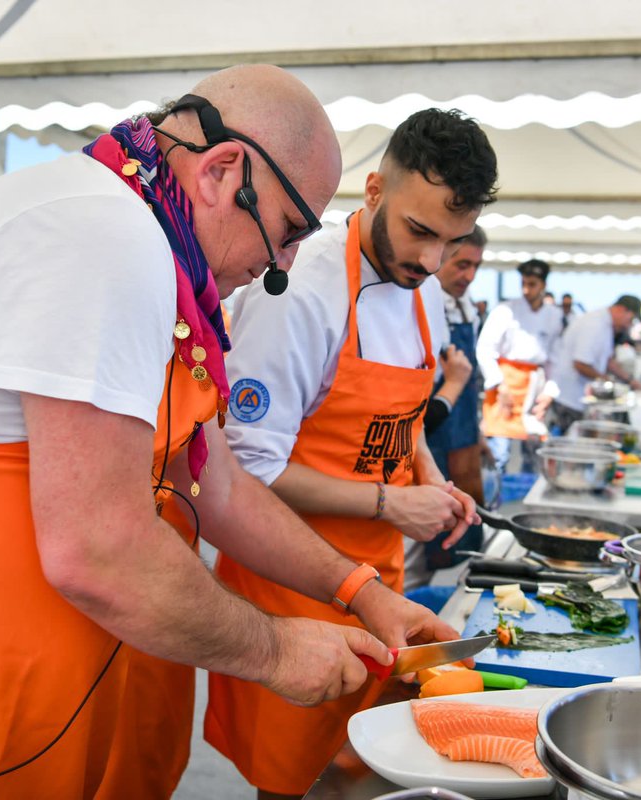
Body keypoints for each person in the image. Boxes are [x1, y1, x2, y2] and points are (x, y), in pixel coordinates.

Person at [0, 66, 451, 798]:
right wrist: (274, 649)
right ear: (220, 171)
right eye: (286, 231)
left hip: (7, 661)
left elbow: (217, 484)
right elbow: (98, 547)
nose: (281, 266)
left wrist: (359, 589)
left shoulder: (143, 239)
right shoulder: (104, 231)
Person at [209, 108, 496, 797]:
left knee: (358, 771)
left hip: (379, 581)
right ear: (373, 191)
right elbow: (248, 468)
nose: (430, 261)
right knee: (286, 780)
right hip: (293, 588)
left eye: (450, 242)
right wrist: (392, 501)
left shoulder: (416, 289)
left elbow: (404, 420)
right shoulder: (302, 293)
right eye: (419, 232)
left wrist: (429, 476)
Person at [417, 226, 489, 580]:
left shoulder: (466, 310)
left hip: (463, 437)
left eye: (476, 266)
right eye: (462, 265)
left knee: (466, 534)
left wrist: (478, 432)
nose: (469, 276)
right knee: (436, 541)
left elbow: (469, 377)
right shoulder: (423, 306)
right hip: (432, 441)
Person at [477, 259, 564, 475]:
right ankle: (492, 500)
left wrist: (549, 392)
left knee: (534, 451)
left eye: (532, 284)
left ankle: (525, 498)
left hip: (534, 386)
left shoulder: (554, 315)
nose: (527, 289)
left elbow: (555, 358)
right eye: (524, 283)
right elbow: (485, 348)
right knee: (499, 451)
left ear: (543, 285)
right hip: (504, 382)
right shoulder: (505, 310)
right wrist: (499, 385)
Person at [550, 295, 641, 434]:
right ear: (621, 309)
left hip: (578, 398)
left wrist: (630, 380)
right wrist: (607, 381)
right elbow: (581, 363)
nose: (628, 325)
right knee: (565, 445)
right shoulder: (594, 324)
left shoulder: (605, 325)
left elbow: (607, 360)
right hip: (568, 398)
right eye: (630, 319)